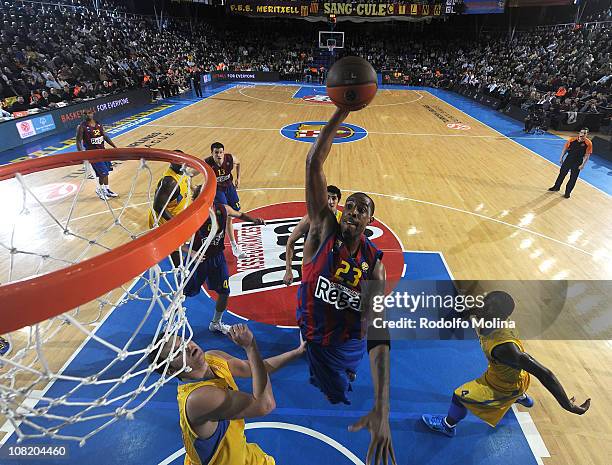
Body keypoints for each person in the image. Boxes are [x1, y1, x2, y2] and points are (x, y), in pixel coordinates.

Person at [297, 107, 395, 465]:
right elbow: (313, 163)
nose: (352, 210)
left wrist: (381, 409)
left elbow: (379, 336)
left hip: (347, 342)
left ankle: (342, 372)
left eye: (361, 209)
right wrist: (344, 109)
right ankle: (315, 359)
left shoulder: (375, 268)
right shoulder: (323, 229)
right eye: (349, 206)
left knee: (339, 388)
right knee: (326, 381)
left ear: (369, 221)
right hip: (314, 330)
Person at [422, 291, 590, 437]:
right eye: (484, 303)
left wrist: (568, 405)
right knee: (509, 373)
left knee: (459, 397)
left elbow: (545, 374)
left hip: (502, 386)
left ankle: (447, 425)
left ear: (500, 316)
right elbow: (469, 313)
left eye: (487, 308)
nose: (481, 309)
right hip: (512, 375)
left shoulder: (505, 348)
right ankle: (520, 396)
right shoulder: (490, 316)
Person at [148, 324, 305, 465]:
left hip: (241, 454)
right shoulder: (198, 398)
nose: (188, 347)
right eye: (177, 352)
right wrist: (250, 347)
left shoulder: (213, 357)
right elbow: (265, 405)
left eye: (183, 341)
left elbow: (255, 367)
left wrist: (297, 352)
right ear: (171, 370)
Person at [185, 186, 265, 334]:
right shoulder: (192, 215)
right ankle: (172, 321)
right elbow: (177, 240)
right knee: (183, 293)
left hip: (217, 257)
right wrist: (191, 253)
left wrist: (254, 220)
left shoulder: (223, 209)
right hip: (198, 261)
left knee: (224, 291)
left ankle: (216, 323)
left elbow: (240, 214)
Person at [282, 185, 342, 286]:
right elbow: (291, 241)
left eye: (333, 198)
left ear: (338, 200)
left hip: (332, 269)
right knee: (309, 300)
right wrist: (288, 270)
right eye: (327, 197)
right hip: (311, 268)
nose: (330, 202)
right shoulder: (311, 219)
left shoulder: (342, 220)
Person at [205, 142, 245, 259]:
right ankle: (233, 246)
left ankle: (227, 229)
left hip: (229, 187)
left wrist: (238, 178)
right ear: (212, 153)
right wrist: (193, 188)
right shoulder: (207, 163)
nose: (219, 155)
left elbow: (238, 163)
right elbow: (192, 173)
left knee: (234, 212)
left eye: (221, 152)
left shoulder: (230, 158)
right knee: (226, 216)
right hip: (218, 191)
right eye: (216, 152)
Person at [76, 109, 118, 200]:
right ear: (83, 115)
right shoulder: (81, 126)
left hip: (103, 151)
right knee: (103, 173)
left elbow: (105, 136)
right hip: (93, 154)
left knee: (106, 172)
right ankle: (100, 190)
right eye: (86, 113)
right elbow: (78, 141)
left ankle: (107, 190)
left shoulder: (98, 124)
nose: (88, 115)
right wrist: (81, 155)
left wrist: (114, 146)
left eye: (89, 113)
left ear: (93, 113)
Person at [548, 128, 593, 198]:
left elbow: (587, 155)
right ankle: (556, 187)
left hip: (578, 162)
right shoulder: (572, 140)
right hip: (568, 160)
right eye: (582, 132)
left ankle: (567, 192)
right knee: (562, 174)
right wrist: (561, 158)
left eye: (584, 133)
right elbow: (565, 149)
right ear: (579, 133)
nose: (583, 134)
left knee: (573, 178)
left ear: (587, 134)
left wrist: (582, 165)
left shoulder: (588, 143)